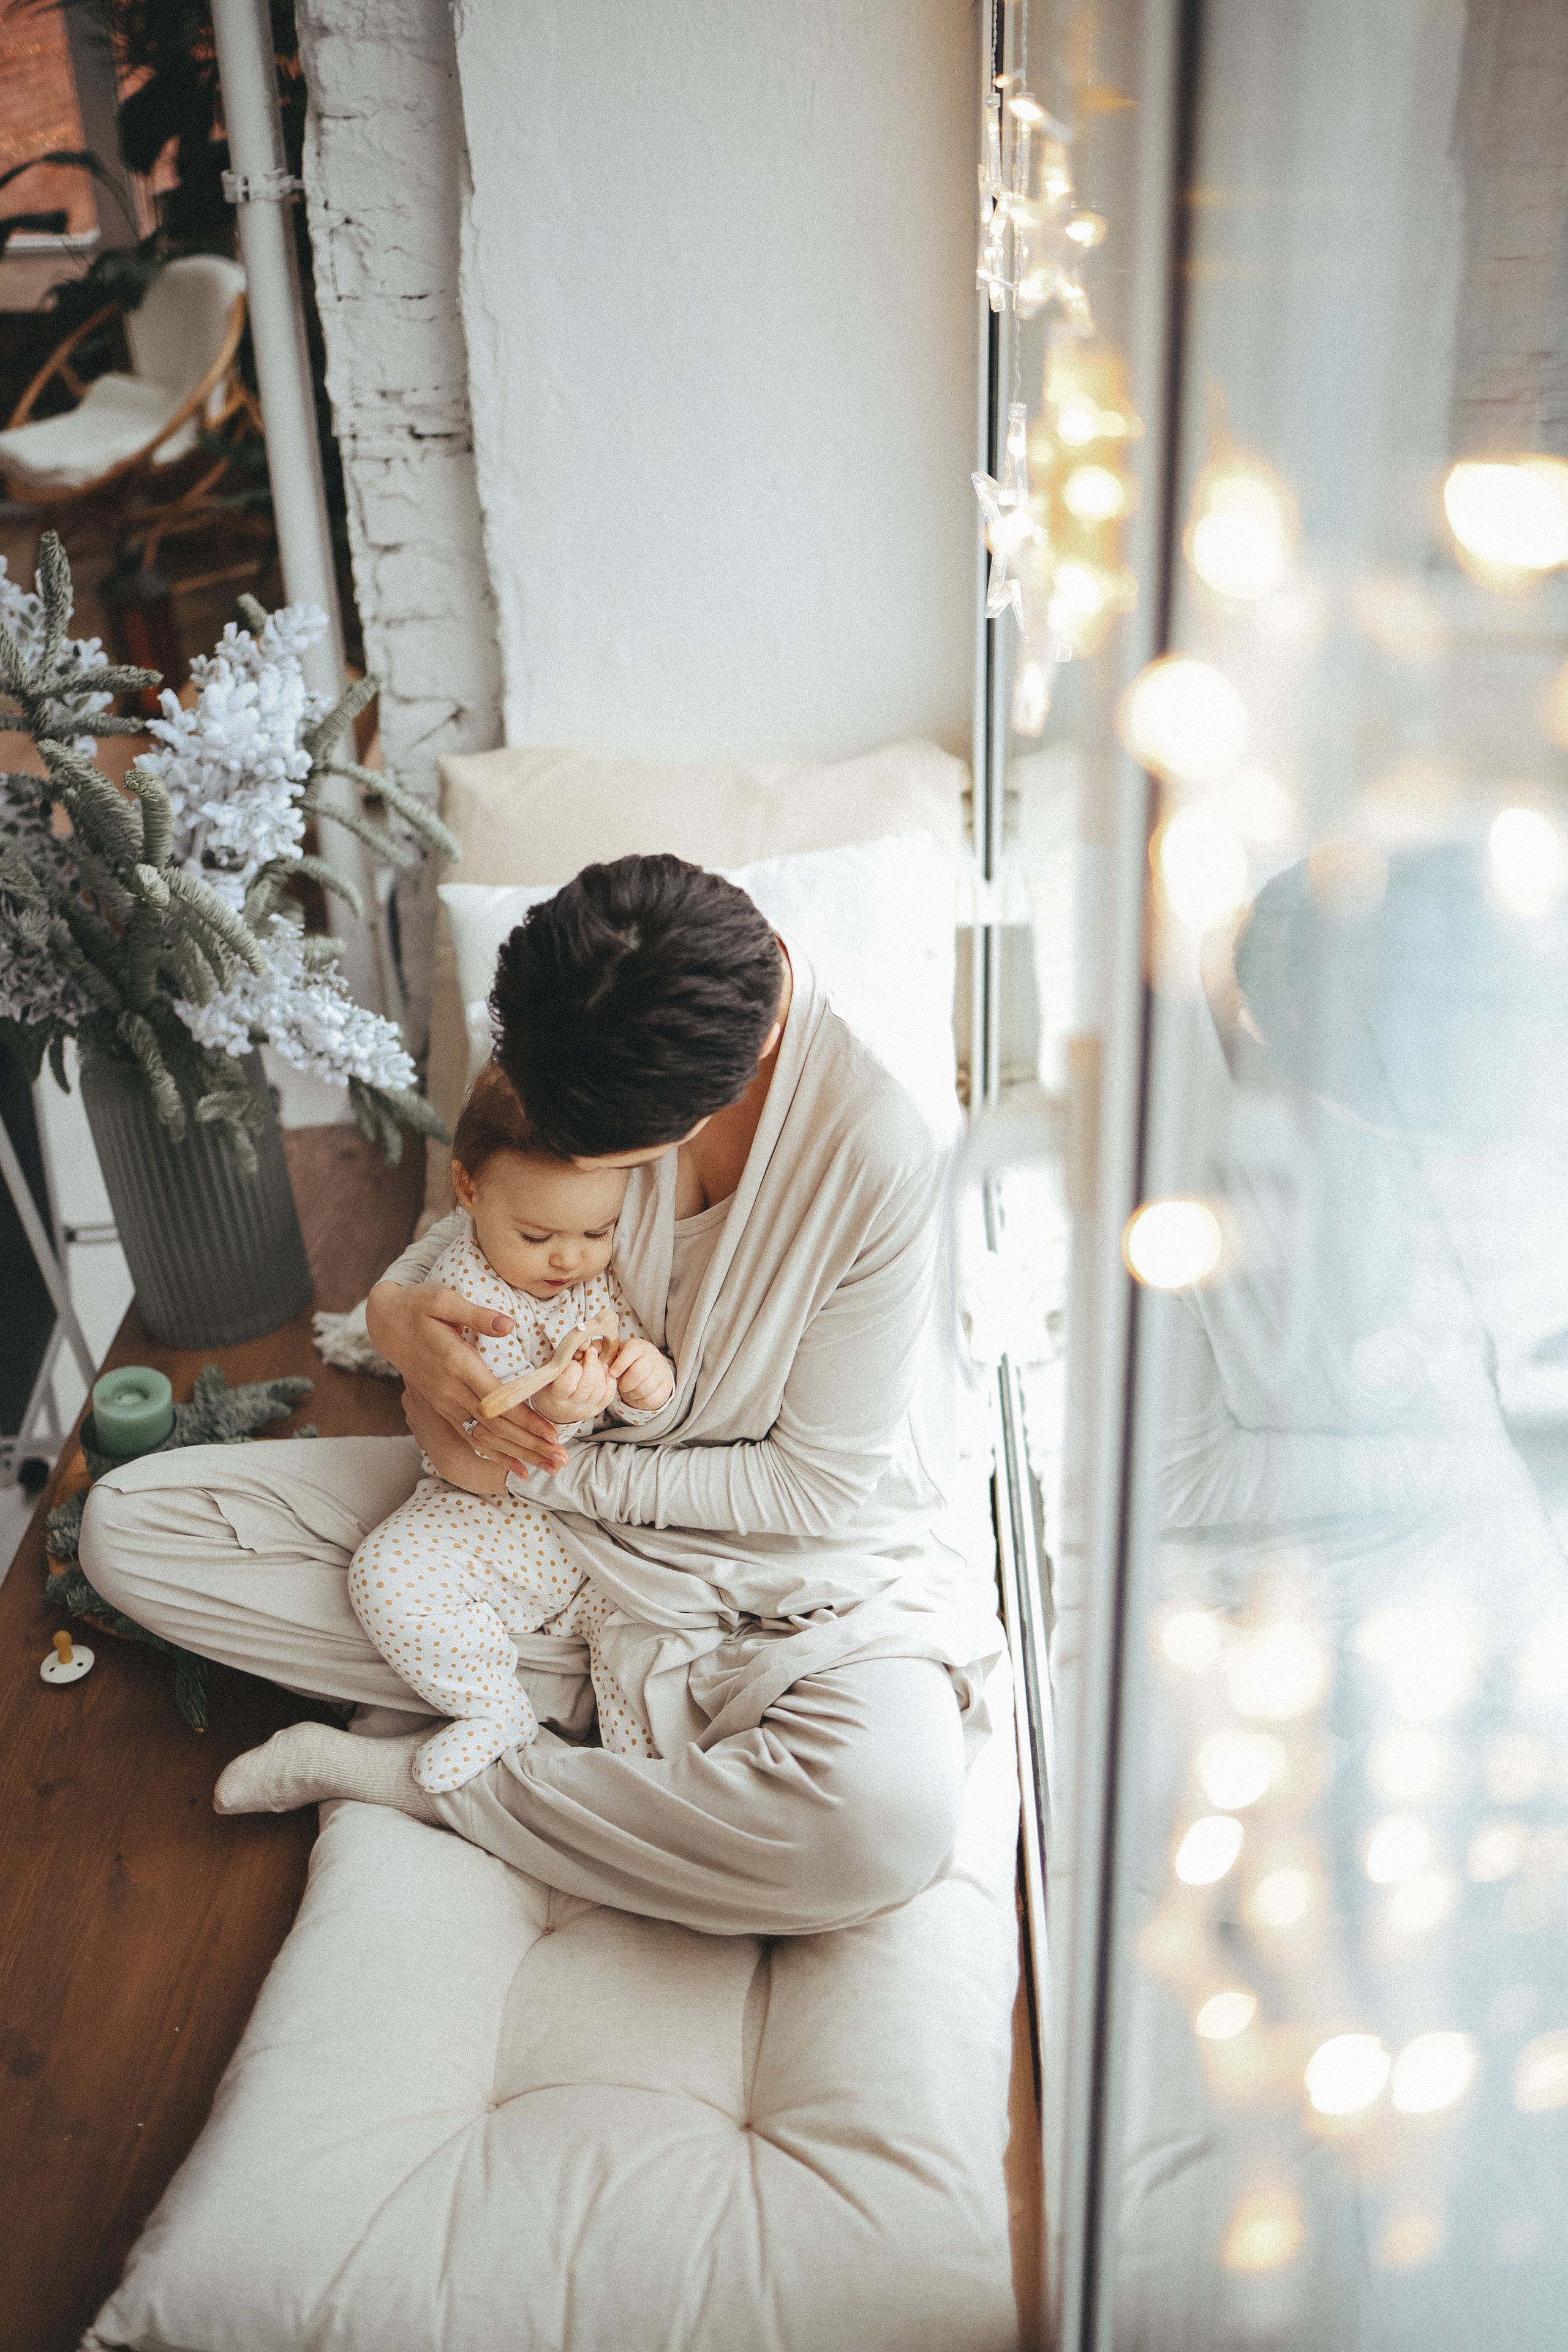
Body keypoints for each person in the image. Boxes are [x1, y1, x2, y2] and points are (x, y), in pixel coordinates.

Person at [80, 854, 1000, 1938]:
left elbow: (811, 1491)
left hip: (774, 1577)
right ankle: (565, 1696)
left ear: (735, 1078)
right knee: (131, 1528)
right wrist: (393, 1320)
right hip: (518, 1529)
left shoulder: (876, 1160)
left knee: (879, 1830)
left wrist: (541, 1470)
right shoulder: (588, 1003)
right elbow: (471, 1232)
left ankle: (429, 1776)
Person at [345, 1061, 675, 1790]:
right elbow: (477, 1435)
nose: (569, 1257)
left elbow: (633, 1377)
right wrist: (552, 1410)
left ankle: (630, 1786)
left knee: (647, 1648)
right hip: (486, 1520)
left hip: (605, 1542)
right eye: (536, 1235)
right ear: (468, 1191)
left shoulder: (601, 1277)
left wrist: (648, 1378)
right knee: (384, 1578)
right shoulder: (463, 1290)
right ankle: (495, 1708)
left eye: (597, 1230)